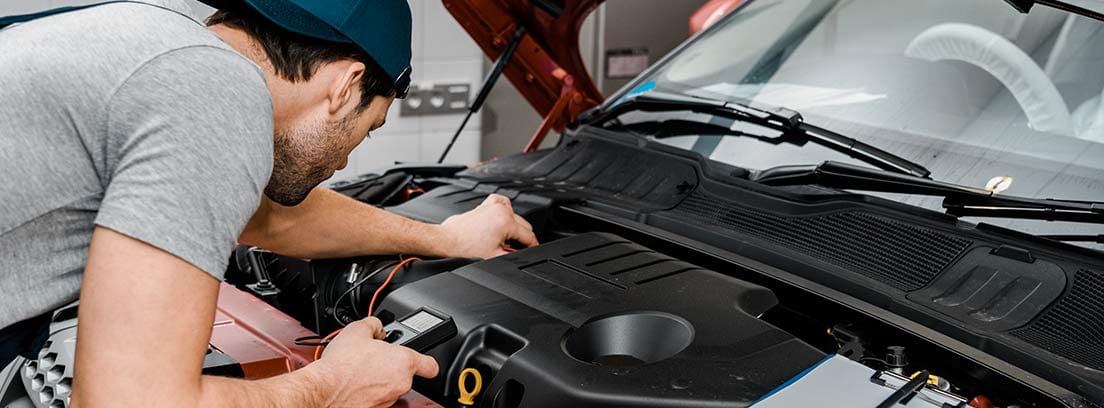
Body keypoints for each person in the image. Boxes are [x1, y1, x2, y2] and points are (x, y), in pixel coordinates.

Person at [0, 0, 538, 406]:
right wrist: (329, 385)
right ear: (347, 85)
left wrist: (447, 238)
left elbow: (268, 218)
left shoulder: (157, 37)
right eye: (367, 129)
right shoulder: (214, 92)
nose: (347, 162)